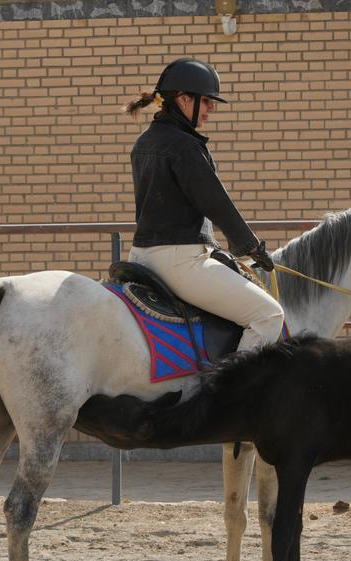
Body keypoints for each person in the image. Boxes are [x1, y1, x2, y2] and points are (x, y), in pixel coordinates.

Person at [123, 57, 286, 351]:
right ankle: (234, 382)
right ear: (184, 99)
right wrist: (250, 246)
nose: (211, 109)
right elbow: (216, 203)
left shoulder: (144, 141)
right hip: (180, 262)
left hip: (140, 256)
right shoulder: (185, 146)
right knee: (269, 315)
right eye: (207, 101)